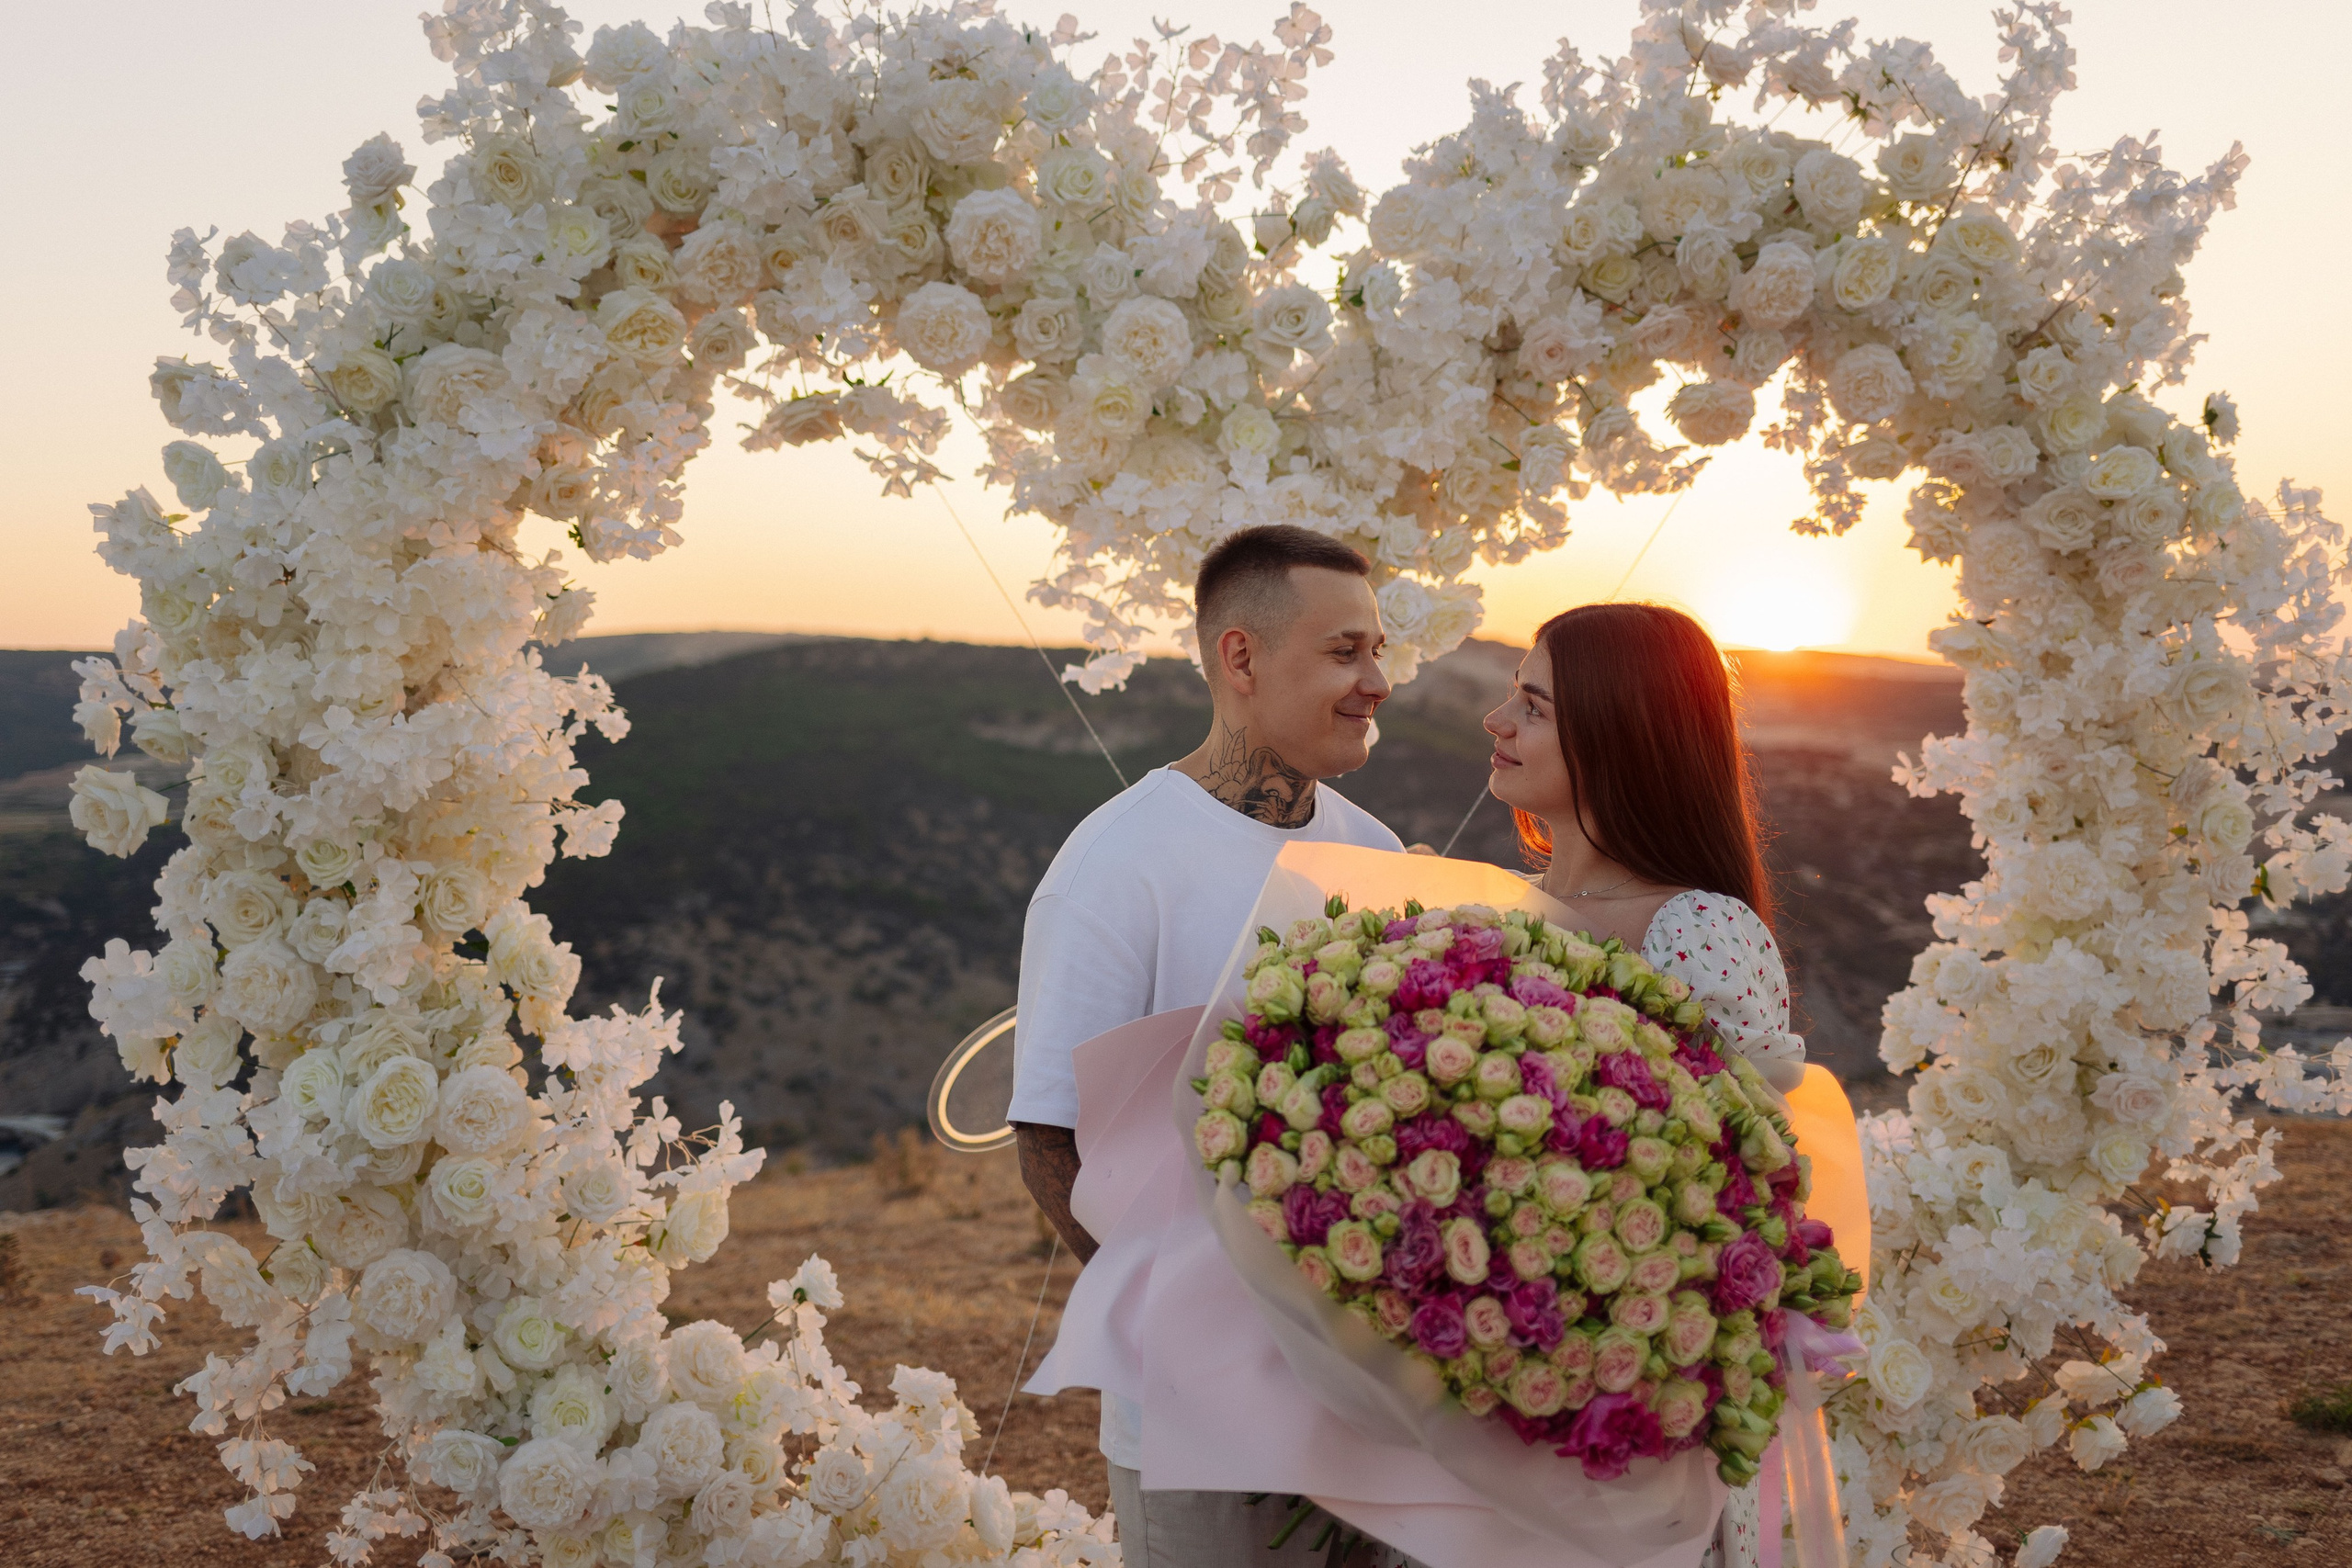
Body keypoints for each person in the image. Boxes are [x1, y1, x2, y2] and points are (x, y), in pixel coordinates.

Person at [1009, 524, 1406, 1564]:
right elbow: (1050, 1144)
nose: (1377, 680)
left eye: (1377, 650)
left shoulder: (1379, 851)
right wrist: (1201, 1339)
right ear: (1240, 657)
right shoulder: (1118, 863)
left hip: (1383, 1413)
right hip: (1199, 1427)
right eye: (1344, 652)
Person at [1483, 600, 1804, 1568]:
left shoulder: (1695, 929)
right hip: (1486, 1364)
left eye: (1533, 707)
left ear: (1619, 735)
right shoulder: (1494, 910)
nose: (1496, 723)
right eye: (1513, 697)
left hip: (1630, 1397)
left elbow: (1753, 1194)